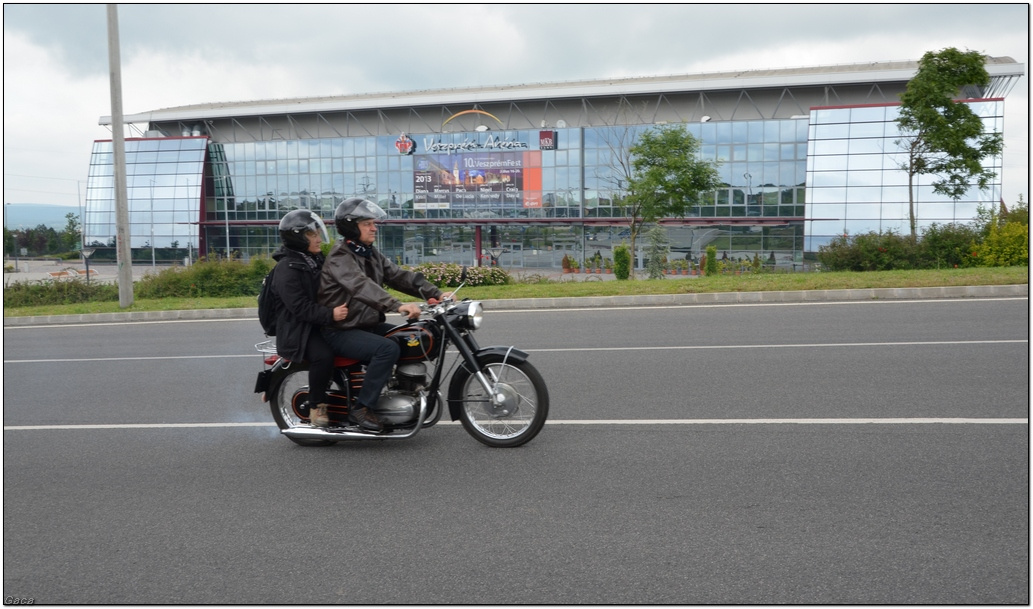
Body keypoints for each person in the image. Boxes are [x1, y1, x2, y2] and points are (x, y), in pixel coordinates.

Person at [318, 198, 450, 432]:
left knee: (413, 336)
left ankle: (405, 388)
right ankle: (362, 408)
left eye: (373, 223)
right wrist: (396, 305)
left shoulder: (369, 253)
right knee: (387, 348)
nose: (374, 227)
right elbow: (360, 286)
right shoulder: (341, 256)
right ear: (351, 227)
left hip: (365, 324)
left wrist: (437, 294)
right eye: (367, 223)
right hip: (340, 330)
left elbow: (400, 276)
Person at [269, 209, 349, 428]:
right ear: (297, 237)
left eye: (317, 233)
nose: (318, 239)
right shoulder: (286, 268)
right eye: (312, 235)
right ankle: (316, 405)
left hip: (318, 323)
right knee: (323, 356)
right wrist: (330, 314)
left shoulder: (314, 260)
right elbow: (299, 307)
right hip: (299, 330)